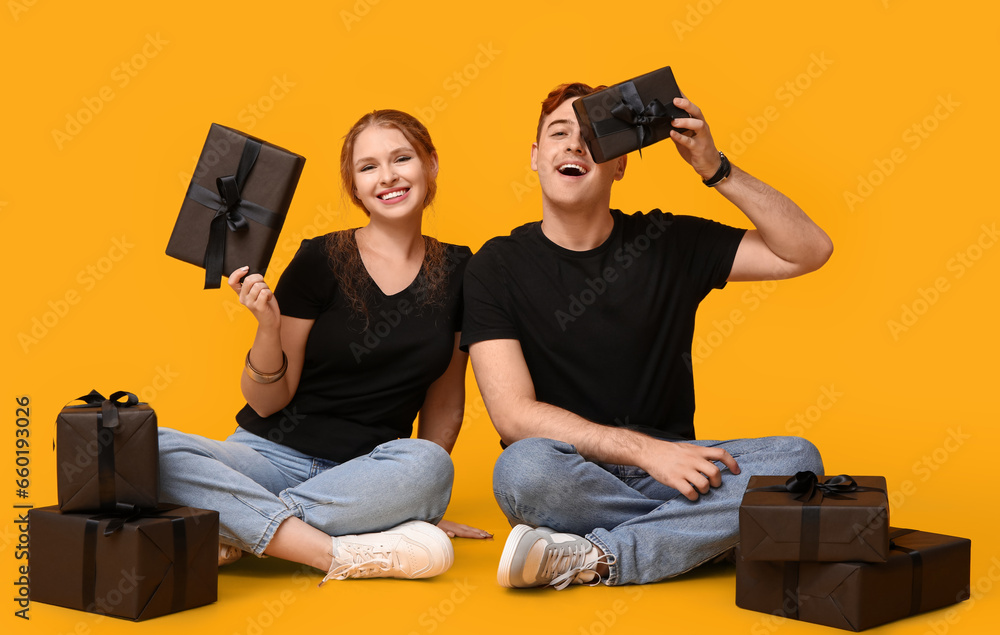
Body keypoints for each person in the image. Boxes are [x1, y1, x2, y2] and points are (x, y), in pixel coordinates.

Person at [461, 82, 833, 589]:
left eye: (593, 137)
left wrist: (715, 168)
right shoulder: (494, 266)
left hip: (683, 471)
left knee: (797, 460)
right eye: (559, 133)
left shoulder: (667, 242)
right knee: (521, 470)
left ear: (620, 163)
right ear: (535, 156)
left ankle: (596, 556)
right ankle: (703, 537)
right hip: (573, 474)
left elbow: (807, 251)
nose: (573, 145)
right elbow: (513, 414)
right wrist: (644, 452)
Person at [159, 109, 490, 585]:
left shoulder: (461, 270)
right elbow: (267, 399)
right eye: (368, 166)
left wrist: (419, 500)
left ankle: (237, 525)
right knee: (146, 446)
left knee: (431, 463)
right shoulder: (320, 257)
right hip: (266, 459)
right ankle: (329, 551)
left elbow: (445, 401)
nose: (389, 176)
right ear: (353, 186)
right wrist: (268, 327)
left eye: (402, 158)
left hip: (364, 474)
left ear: (431, 165)